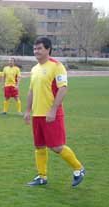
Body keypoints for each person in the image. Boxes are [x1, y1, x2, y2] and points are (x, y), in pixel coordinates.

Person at [24, 37, 85, 187]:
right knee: (39, 146)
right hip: (37, 114)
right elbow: (31, 91)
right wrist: (27, 110)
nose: (36, 51)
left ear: (48, 49)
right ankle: (42, 176)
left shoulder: (57, 66)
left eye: (39, 48)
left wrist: (53, 110)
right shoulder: (34, 69)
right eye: (34, 48)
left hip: (51, 114)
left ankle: (79, 168)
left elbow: (63, 88)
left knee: (56, 146)